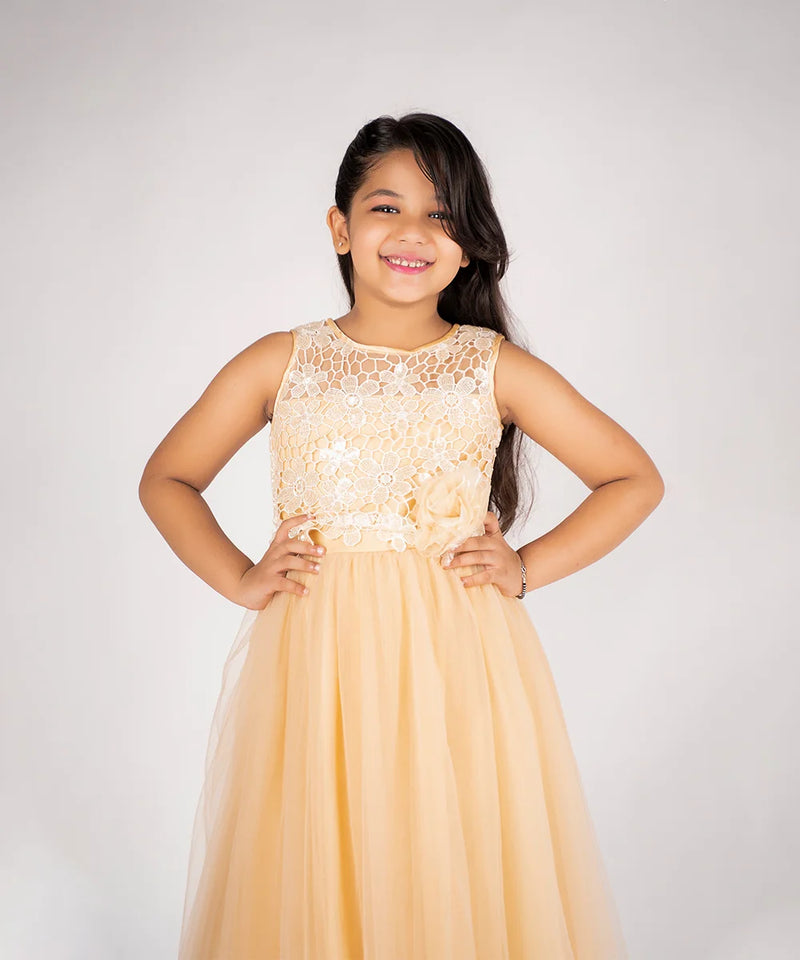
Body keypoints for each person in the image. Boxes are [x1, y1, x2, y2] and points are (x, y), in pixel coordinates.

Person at [139, 111, 663, 959]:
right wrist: (240, 577)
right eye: (386, 208)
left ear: (470, 245)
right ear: (341, 227)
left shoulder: (490, 365)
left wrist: (524, 567)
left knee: (446, 845)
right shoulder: (283, 361)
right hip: (318, 659)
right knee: (322, 849)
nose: (414, 233)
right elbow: (168, 478)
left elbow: (633, 479)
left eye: (442, 214)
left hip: (457, 654)